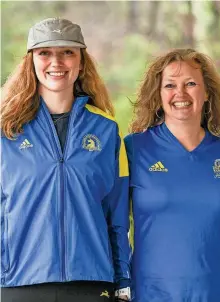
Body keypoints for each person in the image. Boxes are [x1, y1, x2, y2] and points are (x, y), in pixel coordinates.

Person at [0, 18, 130, 302]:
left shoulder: (107, 130)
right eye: (44, 52)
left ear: (81, 62)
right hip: (18, 281)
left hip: (91, 282)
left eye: (67, 52)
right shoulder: (5, 130)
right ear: (30, 61)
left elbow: (117, 213)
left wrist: (123, 280)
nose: (56, 61)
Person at [125, 48, 220, 301]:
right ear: (158, 94)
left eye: (190, 83)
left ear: (207, 92)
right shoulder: (134, 148)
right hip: (150, 293)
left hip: (214, 292)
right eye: (170, 85)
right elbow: (113, 223)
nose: (180, 93)